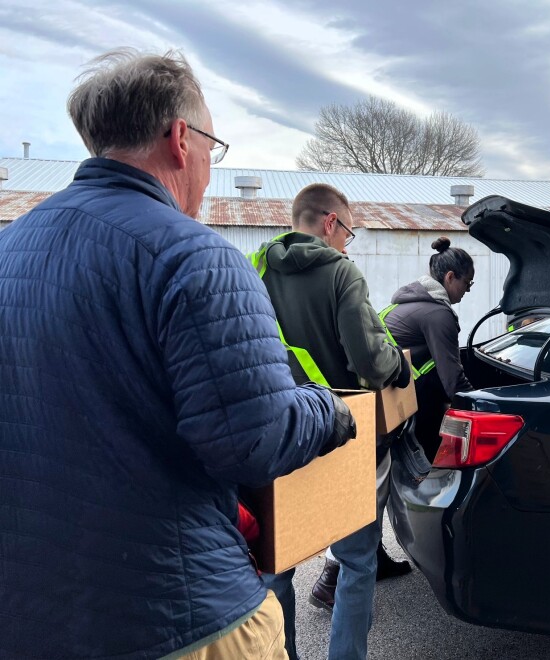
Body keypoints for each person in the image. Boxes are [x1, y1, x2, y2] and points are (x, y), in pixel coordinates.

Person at [0, 49, 355, 660]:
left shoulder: (10, 249)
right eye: (213, 151)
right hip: (179, 618)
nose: (211, 174)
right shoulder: (196, 256)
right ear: (179, 137)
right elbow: (253, 441)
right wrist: (330, 410)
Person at [251, 182, 411, 660]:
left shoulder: (253, 267)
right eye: (348, 231)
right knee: (358, 561)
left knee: (277, 566)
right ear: (329, 223)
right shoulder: (341, 273)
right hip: (343, 432)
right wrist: (399, 364)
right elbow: (371, 361)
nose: (347, 241)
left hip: (277, 429)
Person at [380, 237, 475, 460]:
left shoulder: (412, 301)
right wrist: (482, 404)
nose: (468, 291)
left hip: (385, 392)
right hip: (398, 397)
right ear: (450, 277)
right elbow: (453, 381)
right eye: (468, 283)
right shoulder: (438, 314)